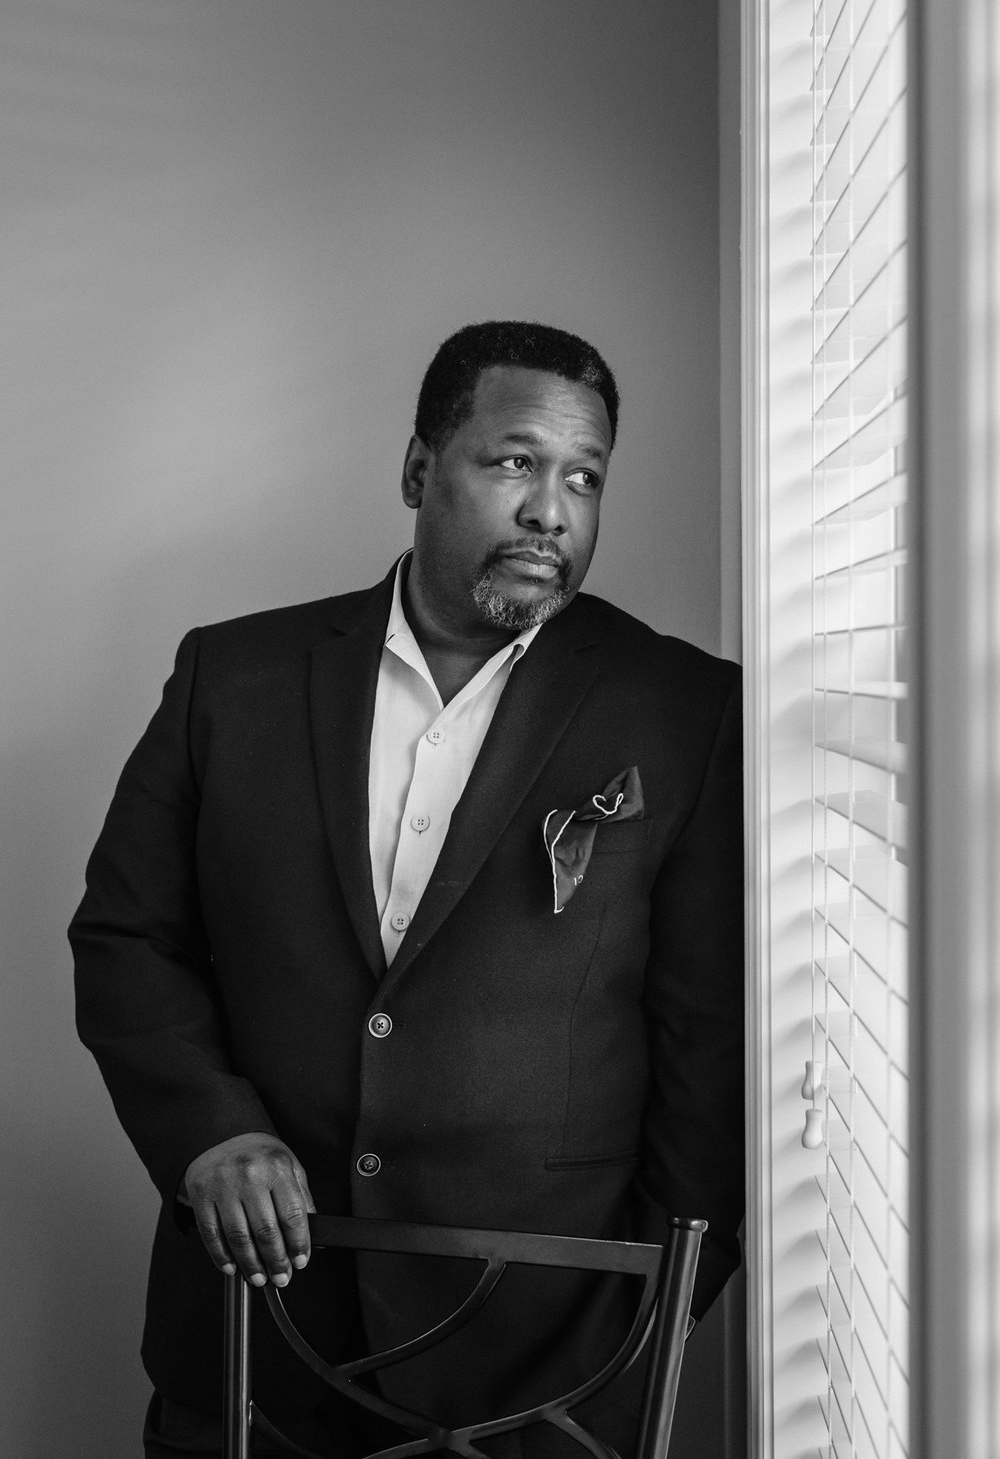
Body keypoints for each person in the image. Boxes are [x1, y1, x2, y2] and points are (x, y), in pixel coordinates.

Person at [70, 320, 744, 1458]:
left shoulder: (682, 711)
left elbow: (708, 1038)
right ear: (419, 470)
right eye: (515, 461)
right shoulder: (231, 678)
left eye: (585, 478)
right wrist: (206, 1135)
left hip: (546, 1373)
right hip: (254, 1341)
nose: (552, 511)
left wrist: (647, 1328)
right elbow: (130, 938)